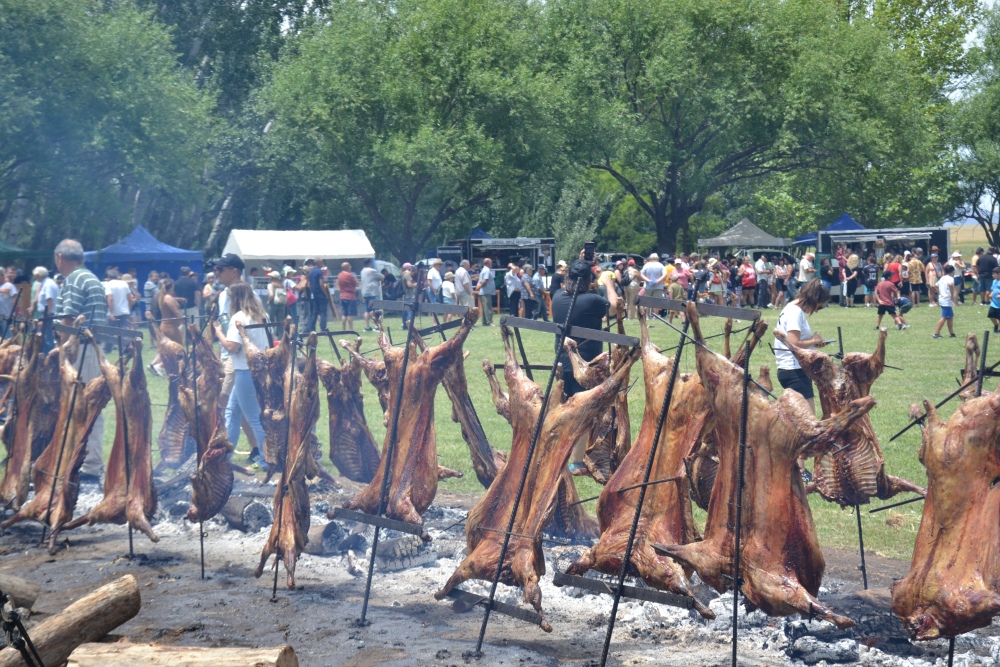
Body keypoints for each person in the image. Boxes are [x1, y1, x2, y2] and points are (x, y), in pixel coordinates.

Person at [53, 239, 107, 483]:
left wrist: (62, 352)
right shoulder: (91, 278)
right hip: (92, 349)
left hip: (80, 350)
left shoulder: (74, 279)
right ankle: (88, 461)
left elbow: (68, 319)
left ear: (60, 258)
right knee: (91, 406)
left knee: (81, 407)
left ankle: (87, 464)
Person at [551, 259, 609, 476]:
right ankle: (576, 463)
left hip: (562, 361)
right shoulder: (593, 300)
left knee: (565, 410)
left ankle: (560, 457)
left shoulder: (557, 296)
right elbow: (614, 308)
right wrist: (608, 284)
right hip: (585, 365)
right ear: (589, 280)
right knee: (583, 413)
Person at [214, 282, 269, 472]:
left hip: (245, 370)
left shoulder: (238, 317)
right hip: (260, 368)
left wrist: (219, 333)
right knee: (232, 412)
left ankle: (266, 459)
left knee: (254, 416)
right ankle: (225, 456)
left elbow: (232, 347)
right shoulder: (262, 314)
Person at [773, 279, 830, 416]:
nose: (816, 311)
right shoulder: (795, 312)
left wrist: (813, 343)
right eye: (818, 307)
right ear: (813, 300)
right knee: (809, 419)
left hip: (793, 369)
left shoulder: (791, 308)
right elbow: (793, 342)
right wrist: (813, 340)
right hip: (794, 370)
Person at [104, 268, 133, 348]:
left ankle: (108, 348)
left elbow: (110, 299)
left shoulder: (108, 284)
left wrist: (111, 313)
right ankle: (126, 347)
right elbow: (130, 299)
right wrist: (129, 309)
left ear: (108, 277)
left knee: (110, 331)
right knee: (124, 330)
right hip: (124, 312)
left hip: (114, 312)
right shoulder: (124, 284)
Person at [32, 266, 59, 351]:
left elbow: (50, 303)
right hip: (46, 314)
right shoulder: (45, 283)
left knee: (48, 339)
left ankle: (48, 355)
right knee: (44, 338)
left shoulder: (48, 285)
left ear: (38, 275)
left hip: (48, 315)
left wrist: (44, 319)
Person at [932, 264, 958, 339]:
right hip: (946, 300)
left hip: (942, 299)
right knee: (944, 317)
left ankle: (952, 333)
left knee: (950, 317)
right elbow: (950, 284)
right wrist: (952, 295)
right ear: (952, 271)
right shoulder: (950, 278)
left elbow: (935, 286)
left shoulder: (942, 278)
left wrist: (940, 293)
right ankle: (936, 333)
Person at [359, 258, 383, 332]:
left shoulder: (362, 271)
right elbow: (381, 277)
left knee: (367, 310)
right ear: (370, 263)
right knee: (376, 310)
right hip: (372, 293)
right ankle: (377, 326)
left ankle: (367, 327)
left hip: (365, 293)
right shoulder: (372, 271)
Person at [336, 261, 357, 330]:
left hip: (342, 296)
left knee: (344, 314)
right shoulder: (349, 275)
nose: (350, 268)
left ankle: (343, 329)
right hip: (350, 296)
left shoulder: (339, 275)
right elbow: (356, 283)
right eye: (349, 267)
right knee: (350, 314)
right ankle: (351, 329)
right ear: (347, 267)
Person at [475, 258, 496, 326]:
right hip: (486, 292)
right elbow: (485, 280)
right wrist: (480, 286)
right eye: (491, 263)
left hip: (485, 292)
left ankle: (485, 322)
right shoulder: (487, 270)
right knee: (488, 307)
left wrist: (479, 286)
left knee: (485, 307)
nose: (492, 264)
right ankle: (489, 322)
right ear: (488, 263)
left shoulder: (483, 270)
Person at [989, 265, 1000, 334]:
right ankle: (996, 325)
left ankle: (999, 329)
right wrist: (991, 294)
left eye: (994, 274)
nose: (993, 275)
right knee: (991, 315)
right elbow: (993, 289)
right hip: (994, 302)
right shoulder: (994, 281)